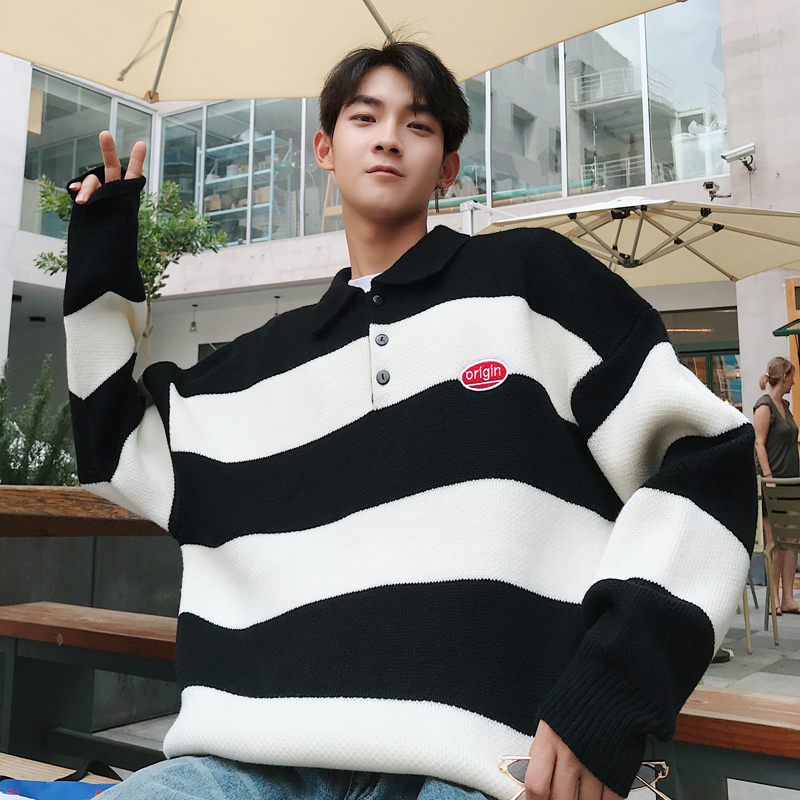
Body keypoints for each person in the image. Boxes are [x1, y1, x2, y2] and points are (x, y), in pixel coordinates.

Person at [63, 36, 756, 800]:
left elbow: (709, 456)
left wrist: (609, 695)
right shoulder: (259, 364)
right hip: (252, 764)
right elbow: (112, 445)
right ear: (325, 149)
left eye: (418, 124)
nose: (389, 136)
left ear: (448, 167)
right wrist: (99, 254)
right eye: (365, 117)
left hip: (485, 768)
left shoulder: (532, 284)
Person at [754, 356, 800, 615]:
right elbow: (759, 443)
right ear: (784, 377)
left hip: (791, 483)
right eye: (792, 377)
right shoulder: (765, 407)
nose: (794, 382)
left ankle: (788, 598)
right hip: (773, 484)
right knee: (774, 543)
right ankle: (773, 598)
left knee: (791, 540)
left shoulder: (785, 406)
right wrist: (768, 476)